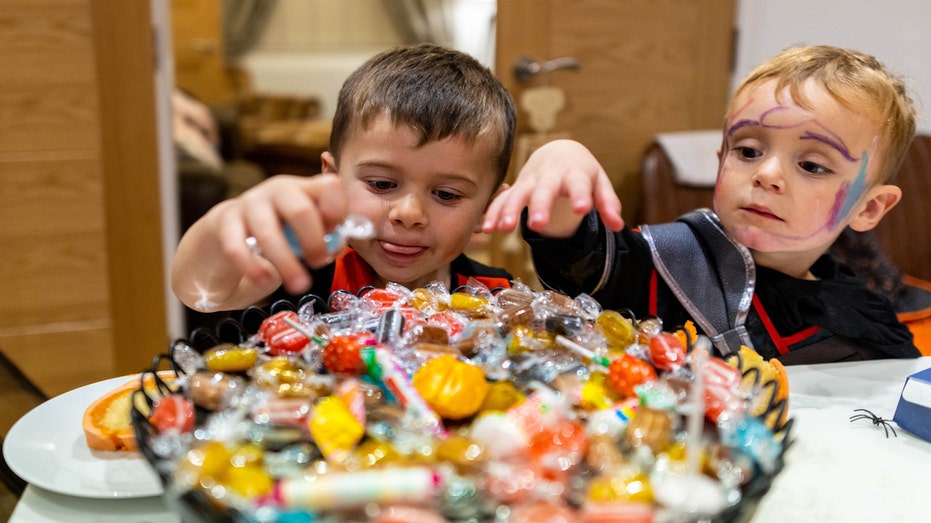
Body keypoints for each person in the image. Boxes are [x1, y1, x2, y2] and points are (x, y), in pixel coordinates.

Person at [483, 45, 922, 364]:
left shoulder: (864, 313)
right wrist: (562, 165)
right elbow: (579, 257)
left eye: (811, 165)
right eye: (748, 151)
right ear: (721, 162)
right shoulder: (668, 261)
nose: (766, 174)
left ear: (869, 208)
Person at [171, 43, 516, 316]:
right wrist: (225, 225)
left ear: (488, 209)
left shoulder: (496, 295)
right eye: (382, 184)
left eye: (446, 194)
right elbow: (202, 294)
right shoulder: (304, 271)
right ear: (332, 180)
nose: (409, 213)